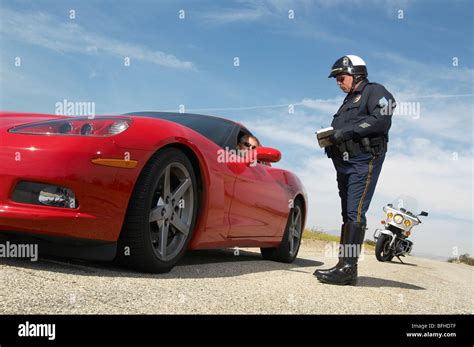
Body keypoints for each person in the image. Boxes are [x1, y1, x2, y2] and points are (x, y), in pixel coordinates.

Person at [314, 55, 396, 286]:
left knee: (355, 212)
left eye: (341, 78)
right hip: (344, 163)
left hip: (364, 160)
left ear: (356, 74)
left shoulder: (374, 91)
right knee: (348, 213)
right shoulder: (348, 102)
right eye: (336, 79)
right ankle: (344, 265)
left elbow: (381, 119)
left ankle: (349, 268)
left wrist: (346, 133)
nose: (338, 82)